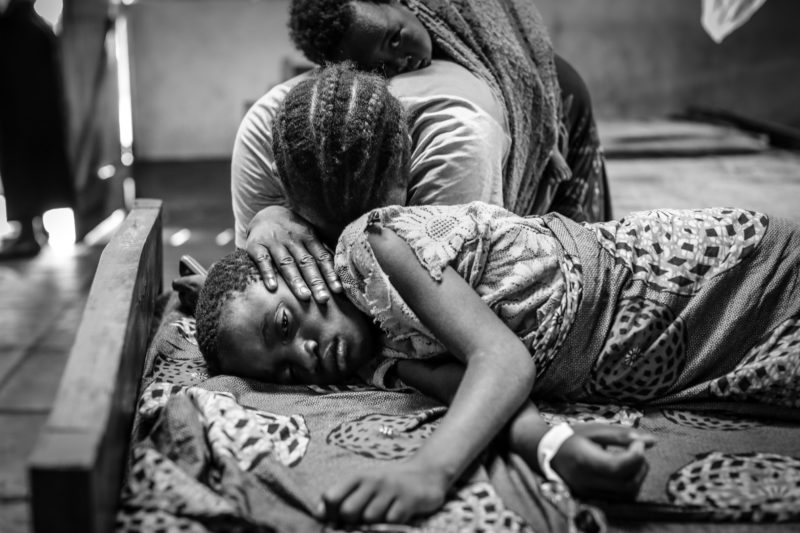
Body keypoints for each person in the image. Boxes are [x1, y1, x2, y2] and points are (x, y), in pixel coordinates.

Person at [195, 64, 800, 525]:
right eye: (282, 373)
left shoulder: (373, 245)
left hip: (696, 278)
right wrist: (555, 444)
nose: (301, 357)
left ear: (303, 271)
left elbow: (500, 357)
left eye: (282, 326)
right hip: (668, 344)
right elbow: (460, 383)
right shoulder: (373, 354)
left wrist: (431, 470)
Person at [223, 0, 609, 309]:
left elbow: (452, 314)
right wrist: (267, 217)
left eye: (394, 39)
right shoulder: (264, 132)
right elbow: (261, 281)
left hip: (545, 90)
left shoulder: (456, 142)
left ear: (408, 163)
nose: (401, 62)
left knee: (574, 263)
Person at [0, 0, 74, 259]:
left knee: (23, 172)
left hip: (21, 120)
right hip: (40, 119)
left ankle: (27, 236)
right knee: (37, 172)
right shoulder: (37, 26)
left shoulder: (13, 30)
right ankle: (36, 229)